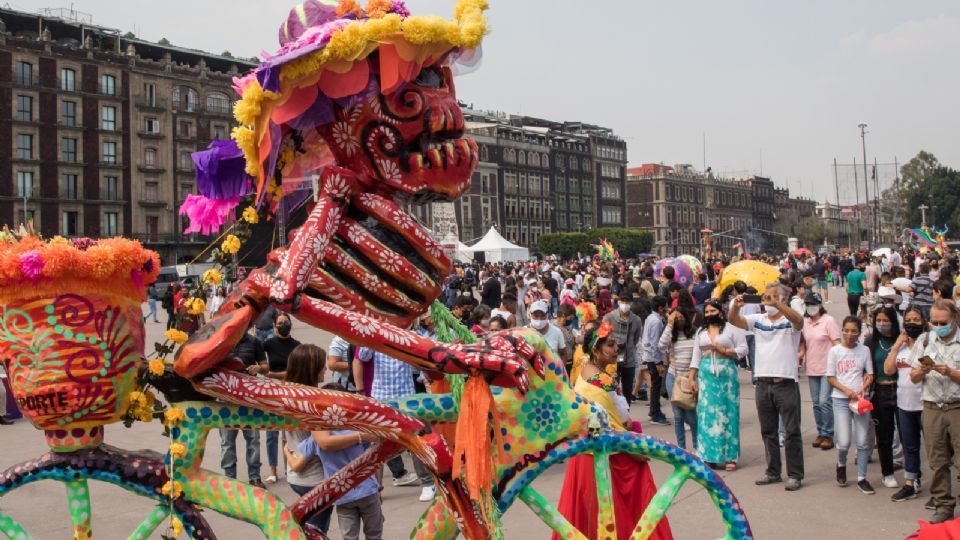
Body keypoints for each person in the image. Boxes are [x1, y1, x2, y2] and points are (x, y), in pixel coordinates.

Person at [551, 322, 673, 540]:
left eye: (616, 344)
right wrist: (633, 448)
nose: (616, 349)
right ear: (596, 350)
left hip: (588, 451)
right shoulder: (600, 380)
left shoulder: (586, 371)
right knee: (614, 512)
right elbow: (605, 422)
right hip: (605, 455)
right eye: (609, 345)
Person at [729, 283, 805, 491]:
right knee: (768, 431)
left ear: (783, 299)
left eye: (773, 297)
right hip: (763, 382)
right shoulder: (758, 320)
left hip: (785, 382)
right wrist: (736, 305)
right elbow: (734, 320)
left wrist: (779, 306)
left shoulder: (789, 320)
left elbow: (799, 322)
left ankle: (795, 474)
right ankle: (773, 471)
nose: (768, 300)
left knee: (791, 431)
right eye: (766, 297)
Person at [300, 383, 384, 540]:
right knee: (374, 535)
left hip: (342, 494)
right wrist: (378, 487)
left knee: (349, 537)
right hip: (366, 490)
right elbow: (373, 460)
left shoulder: (318, 433)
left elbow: (301, 459)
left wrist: (286, 450)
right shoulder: (358, 428)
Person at [357, 346, 435, 501]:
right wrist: (374, 335)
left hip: (406, 398)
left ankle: (428, 483)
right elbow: (363, 356)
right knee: (378, 445)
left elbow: (419, 361)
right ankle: (376, 489)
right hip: (381, 398)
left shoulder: (406, 336)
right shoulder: (377, 335)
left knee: (415, 442)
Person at [908, 299, 960, 523]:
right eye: (935, 322)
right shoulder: (925, 339)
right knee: (937, 461)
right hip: (931, 407)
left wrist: (950, 372)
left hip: (957, 406)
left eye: (943, 322)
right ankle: (943, 505)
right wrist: (922, 370)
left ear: (955, 318)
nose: (939, 326)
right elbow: (912, 377)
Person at [689, 299, 748, 469]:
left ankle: (730, 456)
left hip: (727, 375)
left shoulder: (732, 328)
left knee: (729, 413)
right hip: (707, 376)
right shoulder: (701, 332)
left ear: (720, 312)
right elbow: (696, 356)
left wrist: (727, 351)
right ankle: (709, 455)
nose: (709, 315)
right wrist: (692, 377)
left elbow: (743, 349)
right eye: (706, 312)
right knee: (707, 415)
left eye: (712, 311)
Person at [280, 344, 333, 534]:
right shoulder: (312, 403)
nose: (325, 369)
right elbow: (321, 442)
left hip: (296, 477)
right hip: (314, 480)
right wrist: (361, 436)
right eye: (321, 365)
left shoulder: (287, 397)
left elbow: (285, 438)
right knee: (317, 531)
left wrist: (289, 454)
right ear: (311, 369)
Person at [827, 316, 875, 494]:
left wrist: (862, 388)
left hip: (861, 400)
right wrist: (846, 391)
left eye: (854, 331)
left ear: (859, 332)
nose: (849, 334)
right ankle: (841, 464)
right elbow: (830, 377)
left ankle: (862, 477)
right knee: (844, 441)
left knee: (862, 441)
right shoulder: (835, 351)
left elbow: (870, 374)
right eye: (846, 330)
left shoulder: (864, 351)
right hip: (841, 399)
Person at [883, 306, 926, 502]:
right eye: (908, 320)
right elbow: (889, 369)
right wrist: (896, 346)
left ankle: (944, 488)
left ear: (924, 322)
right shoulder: (900, 346)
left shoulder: (928, 343)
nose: (912, 323)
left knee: (937, 448)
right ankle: (911, 482)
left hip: (927, 404)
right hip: (904, 404)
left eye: (916, 319)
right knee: (910, 446)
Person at [254, 314, 301, 483]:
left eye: (286, 322)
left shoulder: (297, 346)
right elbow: (259, 363)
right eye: (280, 323)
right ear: (274, 326)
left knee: (289, 432)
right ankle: (273, 470)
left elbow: (294, 371)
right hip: (272, 392)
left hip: (290, 392)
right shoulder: (267, 344)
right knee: (272, 433)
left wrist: (271, 374)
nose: (283, 325)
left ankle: (290, 468)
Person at [219, 329, 267, 488]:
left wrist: (258, 369)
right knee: (227, 442)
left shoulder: (254, 342)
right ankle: (230, 479)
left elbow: (265, 366)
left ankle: (255, 477)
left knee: (253, 440)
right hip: (226, 399)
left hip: (249, 399)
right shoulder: (221, 342)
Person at [865, 306, 901, 489]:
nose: (881, 324)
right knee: (884, 436)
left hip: (901, 390)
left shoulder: (901, 340)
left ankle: (913, 474)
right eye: (878, 320)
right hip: (879, 392)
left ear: (893, 321)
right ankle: (887, 473)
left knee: (906, 435)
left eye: (885, 320)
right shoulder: (871, 341)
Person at [799, 292, 840, 451]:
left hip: (827, 368)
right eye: (808, 304)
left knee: (824, 401)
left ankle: (828, 434)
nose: (811, 307)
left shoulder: (828, 321)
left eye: (814, 304)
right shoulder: (805, 323)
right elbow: (803, 344)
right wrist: (801, 355)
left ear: (820, 305)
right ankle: (821, 432)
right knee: (816, 403)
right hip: (812, 367)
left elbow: (837, 343)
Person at [660, 308, 700, 451]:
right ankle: (681, 448)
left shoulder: (695, 333)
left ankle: (697, 447)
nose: (679, 321)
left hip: (690, 378)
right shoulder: (671, 334)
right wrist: (669, 324)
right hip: (674, 377)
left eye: (682, 317)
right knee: (678, 416)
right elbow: (661, 345)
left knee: (691, 415)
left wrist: (694, 377)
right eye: (677, 319)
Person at [602, 296, 643, 406]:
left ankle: (627, 413)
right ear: (619, 302)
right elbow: (602, 336)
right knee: (611, 388)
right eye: (623, 301)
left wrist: (628, 346)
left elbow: (636, 339)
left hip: (629, 358)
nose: (625, 304)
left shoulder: (636, 320)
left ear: (631, 303)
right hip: (611, 359)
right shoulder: (609, 318)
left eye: (627, 302)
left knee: (628, 389)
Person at [641, 296, 670, 426]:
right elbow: (654, 343)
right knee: (656, 386)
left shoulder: (651, 318)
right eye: (665, 306)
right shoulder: (656, 322)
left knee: (655, 385)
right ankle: (655, 412)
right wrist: (659, 362)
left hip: (650, 356)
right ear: (660, 308)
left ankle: (654, 410)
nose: (667, 308)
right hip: (654, 357)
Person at [529, 300, 568, 365]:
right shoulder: (524, 332)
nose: (539, 319)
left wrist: (561, 370)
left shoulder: (557, 332)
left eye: (542, 315)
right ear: (530, 315)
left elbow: (563, 354)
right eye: (536, 316)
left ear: (547, 315)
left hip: (552, 373)